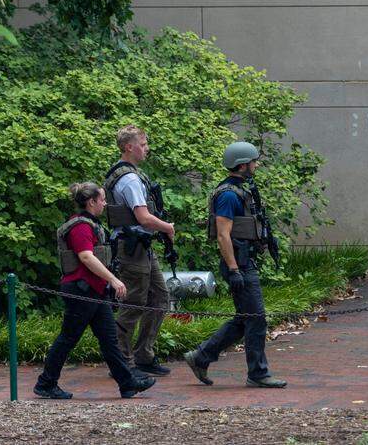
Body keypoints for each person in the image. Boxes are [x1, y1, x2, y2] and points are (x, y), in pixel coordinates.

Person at [33, 183, 156, 399]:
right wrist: (114, 280)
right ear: (91, 202)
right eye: (102, 199)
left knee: (109, 340)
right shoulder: (81, 226)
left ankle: (127, 384)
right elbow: (86, 257)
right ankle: (46, 383)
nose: (105, 203)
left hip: (94, 291)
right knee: (68, 338)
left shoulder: (90, 224)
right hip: (81, 291)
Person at [183, 141, 286, 389]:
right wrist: (234, 269)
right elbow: (222, 235)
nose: (256, 165)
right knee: (256, 318)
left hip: (244, 260)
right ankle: (258, 374)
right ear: (243, 165)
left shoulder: (241, 189)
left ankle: (201, 356)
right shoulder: (228, 195)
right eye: (253, 162)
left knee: (246, 318)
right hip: (238, 263)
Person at [103, 125, 175, 376]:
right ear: (129, 147)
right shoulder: (130, 179)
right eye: (143, 144)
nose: (147, 149)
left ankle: (144, 355)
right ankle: (122, 362)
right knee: (133, 304)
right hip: (132, 248)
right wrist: (167, 227)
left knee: (159, 297)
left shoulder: (126, 174)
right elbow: (143, 218)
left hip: (140, 246)